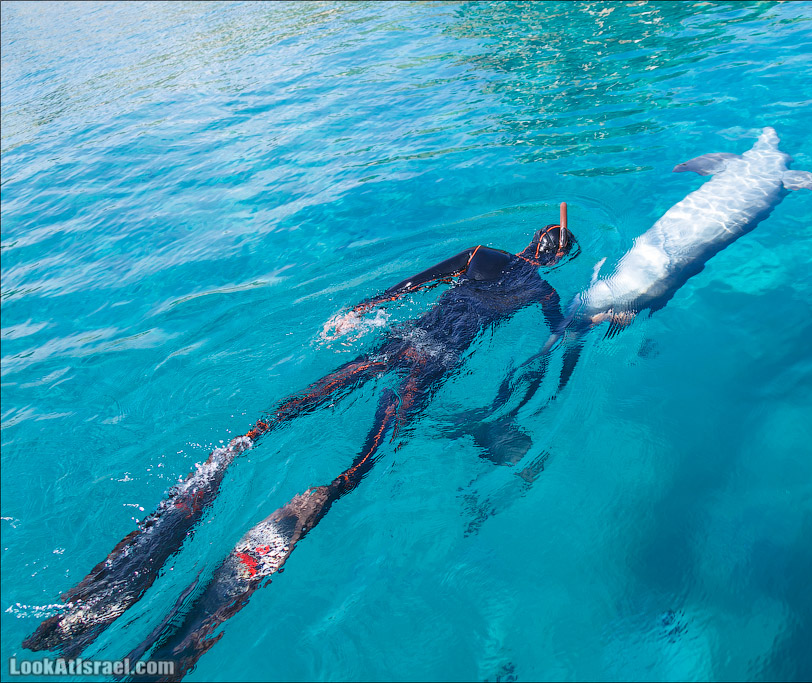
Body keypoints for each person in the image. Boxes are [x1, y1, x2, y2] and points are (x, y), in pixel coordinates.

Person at [24, 205, 578, 667]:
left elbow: (413, 284)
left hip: (405, 337)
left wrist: (361, 309)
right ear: (555, 256)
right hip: (437, 362)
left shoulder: (482, 254)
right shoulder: (542, 292)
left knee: (291, 409)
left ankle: (232, 453)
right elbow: (560, 336)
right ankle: (327, 492)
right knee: (365, 459)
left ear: (531, 239)